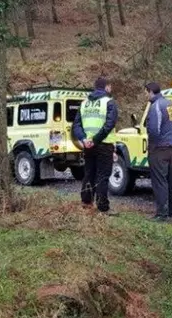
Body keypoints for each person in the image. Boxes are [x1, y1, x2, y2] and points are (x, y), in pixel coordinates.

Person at [72, 76, 119, 215]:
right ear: (106, 87)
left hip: (88, 145)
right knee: (103, 175)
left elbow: (76, 125)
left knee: (89, 173)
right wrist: (96, 139)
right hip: (103, 144)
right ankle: (103, 207)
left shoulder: (84, 103)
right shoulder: (109, 102)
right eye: (110, 86)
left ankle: (86, 203)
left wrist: (84, 139)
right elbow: (109, 124)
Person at [144, 82, 172, 221]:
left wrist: (152, 146)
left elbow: (153, 130)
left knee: (159, 181)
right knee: (171, 180)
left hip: (159, 148)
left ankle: (161, 214)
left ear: (150, 91)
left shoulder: (155, 106)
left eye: (145, 92)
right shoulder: (170, 104)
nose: (145, 95)